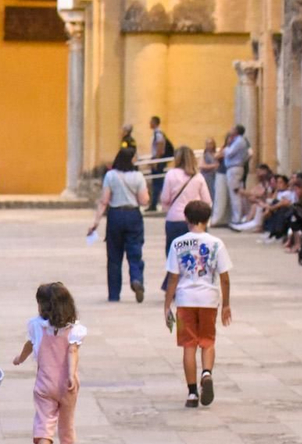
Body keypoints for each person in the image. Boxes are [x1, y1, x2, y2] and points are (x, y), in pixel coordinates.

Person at [10, 282, 84, 444]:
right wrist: (70, 375)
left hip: (44, 384)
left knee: (44, 423)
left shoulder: (36, 326)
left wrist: (20, 358)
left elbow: (29, 345)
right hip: (67, 387)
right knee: (66, 425)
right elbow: (72, 352)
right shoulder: (73, 329)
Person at [163, 200, 233, 409]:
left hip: (185, 301)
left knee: (188, 345)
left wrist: (167, 305)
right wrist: (226, 305)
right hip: (209, 300)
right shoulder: (216, 243)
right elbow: (225, 277)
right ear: (208, 219)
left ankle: (192, 392)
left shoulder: (177, 243)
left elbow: (173, 278)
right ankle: (207, 373)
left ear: (186, 218)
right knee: (208, 341)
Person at [90, 149, 148, 302]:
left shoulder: (110, 176)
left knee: (114, 257)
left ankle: (114, 294)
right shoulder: (138, 176)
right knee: (135, 251)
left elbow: (104, 200)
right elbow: (144, 200)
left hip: (115, 215)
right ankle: (136, 278)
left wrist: (95, 223)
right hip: (133, 215)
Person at [158, 146, 211, 290]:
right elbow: (207, 201)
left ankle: (172, 283)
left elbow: (165, 197)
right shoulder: (198, 177)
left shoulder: (171, 175)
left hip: (174, 219)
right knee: (193, 255)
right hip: (194, 221)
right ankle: (188, 283)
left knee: (173, 254)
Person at [221, 125, 250, 225]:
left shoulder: (239, 141)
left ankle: (237, 218)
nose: (230, 130)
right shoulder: (240, 141)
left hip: (234, 168)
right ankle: (237, 217)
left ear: (237, 131)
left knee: (235, 194)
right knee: (235, 193)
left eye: (233, 129)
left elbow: (229, 153)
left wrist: (226, 148)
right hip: (235, 167)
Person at [146, 115, 170, 212]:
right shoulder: (156, 134)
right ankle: (154, 203)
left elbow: (160, 147)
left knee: (157, 183)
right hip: (156, 159)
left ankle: (154, 203)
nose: (149, 124)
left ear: (155, 123)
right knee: (157, 182)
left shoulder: (158, 134)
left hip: (158, 161)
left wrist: (156, 160)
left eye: (151, 122)